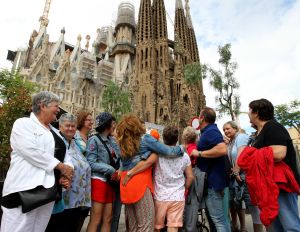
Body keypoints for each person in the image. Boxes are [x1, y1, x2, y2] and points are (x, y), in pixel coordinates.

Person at [0, 91, 73, 232]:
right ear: (42, 105)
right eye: (56, 106)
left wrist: (66, 173)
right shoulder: (23, 124)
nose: (58, 110)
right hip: (23, 191)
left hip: (48, 194)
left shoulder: (56, 132)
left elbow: (66, 156)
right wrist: (60, 166)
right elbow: (30, 150)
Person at [116, 114, 184, 232]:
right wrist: (183, 148)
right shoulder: (145, 139)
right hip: (140, 185)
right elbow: (168, 151)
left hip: (125, 185)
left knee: (132, 227)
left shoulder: (122, 144)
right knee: (146, 225)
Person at [246, 98, 300, 231]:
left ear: (256, 112)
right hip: (268, 186)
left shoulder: (273, 127)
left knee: (289, 226)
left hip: (281, 185)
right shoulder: (260, 132)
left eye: (250, 110)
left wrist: (251, 156)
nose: (248, 113)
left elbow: (279, 153)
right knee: (275, 227)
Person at [190, 107, 230, 232]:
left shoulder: (211, 131)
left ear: (202, 118)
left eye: (199, 116)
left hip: (213, 182)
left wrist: (199, 153)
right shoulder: (208, 131)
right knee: (213, 219)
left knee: (218, 219)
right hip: (210, 183)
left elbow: (222, 149)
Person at [223, 121, 263, 232]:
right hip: (236, 176)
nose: (226, 131)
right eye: (224, 130)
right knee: (237, 203)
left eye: (228, 128)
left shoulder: (241, 137)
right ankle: (237, 226)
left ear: (235, 128)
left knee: (253, 205)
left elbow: (241, 154)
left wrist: (236, 171)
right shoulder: (231, 141)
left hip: (246, 175)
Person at [153, 126, 194, 232]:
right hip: (177, 196)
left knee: (157, 227)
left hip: (160, 196)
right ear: (177, 139)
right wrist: (184, 188)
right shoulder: (185, 156)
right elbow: (190, 177)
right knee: (173, 227)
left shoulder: (157, 155)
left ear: (164, 138)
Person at [86, 112, 121, 232]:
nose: (114, 125)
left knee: (108, 218)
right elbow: (90, 162)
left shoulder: (112, 141)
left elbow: (118, 158)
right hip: (99, 181)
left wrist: (119, 170)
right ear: (107, 125)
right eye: (113, 123)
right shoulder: (94, 140)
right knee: (96, 219)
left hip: (110, 183)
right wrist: (110, 169)